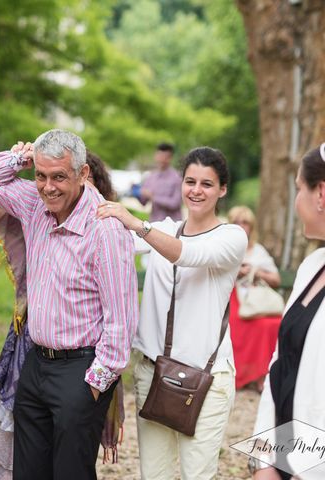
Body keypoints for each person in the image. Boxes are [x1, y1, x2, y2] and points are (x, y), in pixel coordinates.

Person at [0, 130, 139, 480]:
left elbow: (121, 320)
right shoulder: (34, 203)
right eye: (41, 176)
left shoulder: (105, 229)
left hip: (81, 372)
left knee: (70, 473)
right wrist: (20, 159)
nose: (48, 187)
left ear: (83, 174)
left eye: (59, 176)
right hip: (36, 365)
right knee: (29, 472)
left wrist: (93, 386)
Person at [97, 146, 247, 479]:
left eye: (206, 184)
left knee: (197, 475)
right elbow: (108, 236)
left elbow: (186, 254)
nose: (196, 190)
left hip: (206, 381)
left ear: (222, 189)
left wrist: (137, 223)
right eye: (190, 181)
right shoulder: (165, 228)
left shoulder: (232, 237)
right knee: (154, 475)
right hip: (153, 373)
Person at [250, 143, 325, 480]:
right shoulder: (312, 267)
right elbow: (281, 366)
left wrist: (310, 471)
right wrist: (266, 459)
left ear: (320, 194)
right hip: (286, 457)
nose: (296, 202)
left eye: (298, 190)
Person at [227, 205, 282, 392]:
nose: (242, 226)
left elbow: (276, 279)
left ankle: (262, 375)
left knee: (272, 324)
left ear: (252, 226)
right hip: (232, 300)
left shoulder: (258, 251)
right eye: (237, 222)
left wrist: (256, 272)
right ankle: (238, 374)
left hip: (255, 301)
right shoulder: (226, 248)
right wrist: (235, 272)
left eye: (245, 222)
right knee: (236, 322)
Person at [138, 142, 182, 222]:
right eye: (159, 156)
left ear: (170, 158)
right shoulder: (150, 177)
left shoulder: (177, 178)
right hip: (154, 224)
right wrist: (138, 193)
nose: (161, 159)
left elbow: (175, 203)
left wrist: (153, 197)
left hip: (173, 225)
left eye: (164, 157)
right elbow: (143, 203)